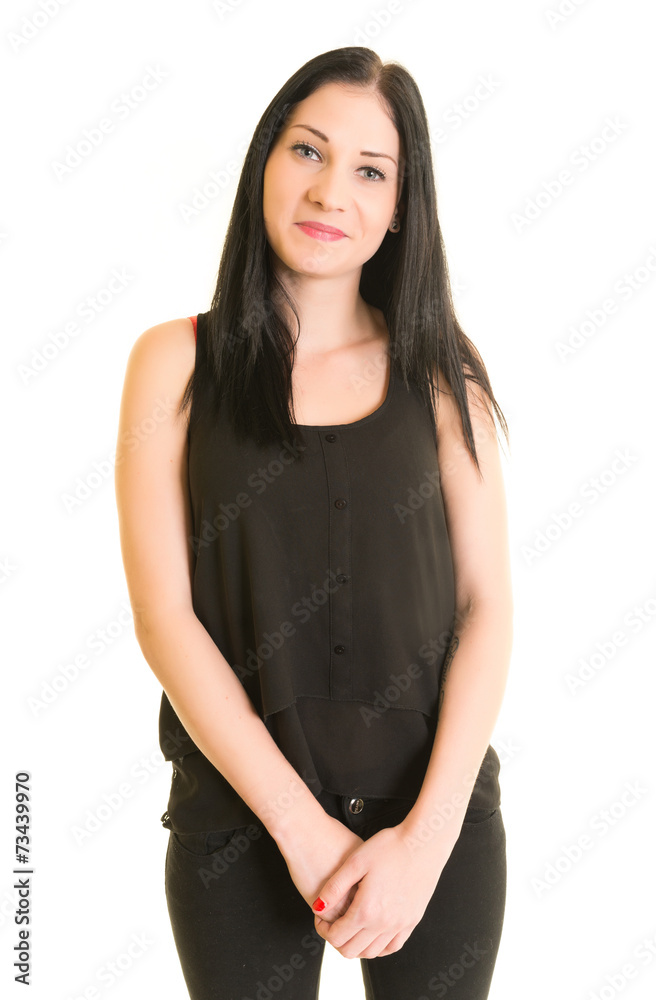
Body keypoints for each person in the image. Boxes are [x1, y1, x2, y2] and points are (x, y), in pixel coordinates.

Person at [115, 45, 513, 1000]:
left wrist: (424, 842)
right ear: (265, 161)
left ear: (400, 205)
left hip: (433, 828)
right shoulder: (174, 363)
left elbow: (488, 606)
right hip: (238, 826)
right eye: (308, 151)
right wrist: (300, 829)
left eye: (371, 171)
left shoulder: (439, 370)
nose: (332, 191)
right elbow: (165, 619)